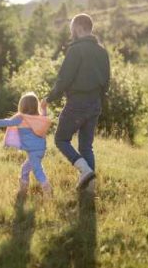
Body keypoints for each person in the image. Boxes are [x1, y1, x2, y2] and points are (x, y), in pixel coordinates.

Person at [45, 13, 110, 190]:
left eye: (72, 28)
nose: (71, 31)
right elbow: (106, 81)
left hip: (77, 104)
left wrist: (49, 98)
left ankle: (84, 170)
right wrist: (99, 101)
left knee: (61, 139)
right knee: (86, 146)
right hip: (95, 103)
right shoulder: (102, 52)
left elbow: (63, 79)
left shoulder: (75, 50)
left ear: (79, 28)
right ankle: (89, 188)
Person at [0, 92, 53, 196]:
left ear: (22, 105)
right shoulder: (39, 118)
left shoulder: (21, 118)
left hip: (33, 151)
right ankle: (23, 190)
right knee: (25, 168)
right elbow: (45, 118)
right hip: (41, 149)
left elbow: (6, 122)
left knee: (37, 170)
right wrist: (44, 108)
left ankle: (47, 189)